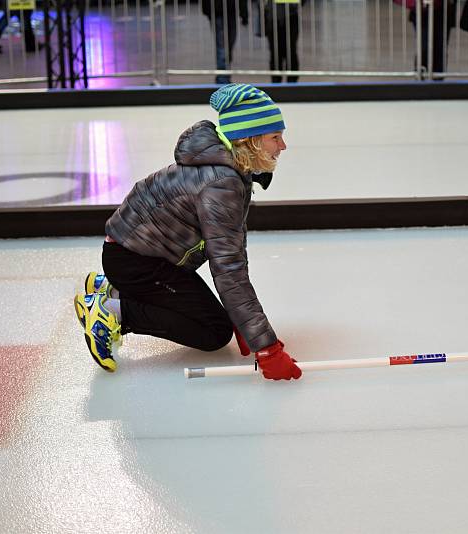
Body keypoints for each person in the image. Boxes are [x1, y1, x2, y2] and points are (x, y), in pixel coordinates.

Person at [73, 83, 302, 381]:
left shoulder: (228, 167)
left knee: (218, 320)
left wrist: (246, 325)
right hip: (137, 262)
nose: (282, 146)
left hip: (139, 255)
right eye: (275, 137)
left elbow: (232, 248)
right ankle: (114, 313)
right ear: (251, 140)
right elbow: (228, 266)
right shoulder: (221, 182)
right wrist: (267, 348)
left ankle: (114, 286)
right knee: (214, 332)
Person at [202, 0, 249, 84]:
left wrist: (244, 13)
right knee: (222, 47)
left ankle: (224, 75)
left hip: (230, 11)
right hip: (217, 12)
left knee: (228, 46)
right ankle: (222, 79)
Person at [407, 0, 457, 80]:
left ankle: (438, 83)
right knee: (424, 47)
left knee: (440, 49)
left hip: (444, 10)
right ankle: (420, 79)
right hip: (422, 10)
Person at [263, 0, 306, 83]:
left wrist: (296, 4)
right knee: (275, 52)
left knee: (290, 51)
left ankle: (292, 82)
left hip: (290, 16)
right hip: (272, 16)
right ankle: (276, 82)